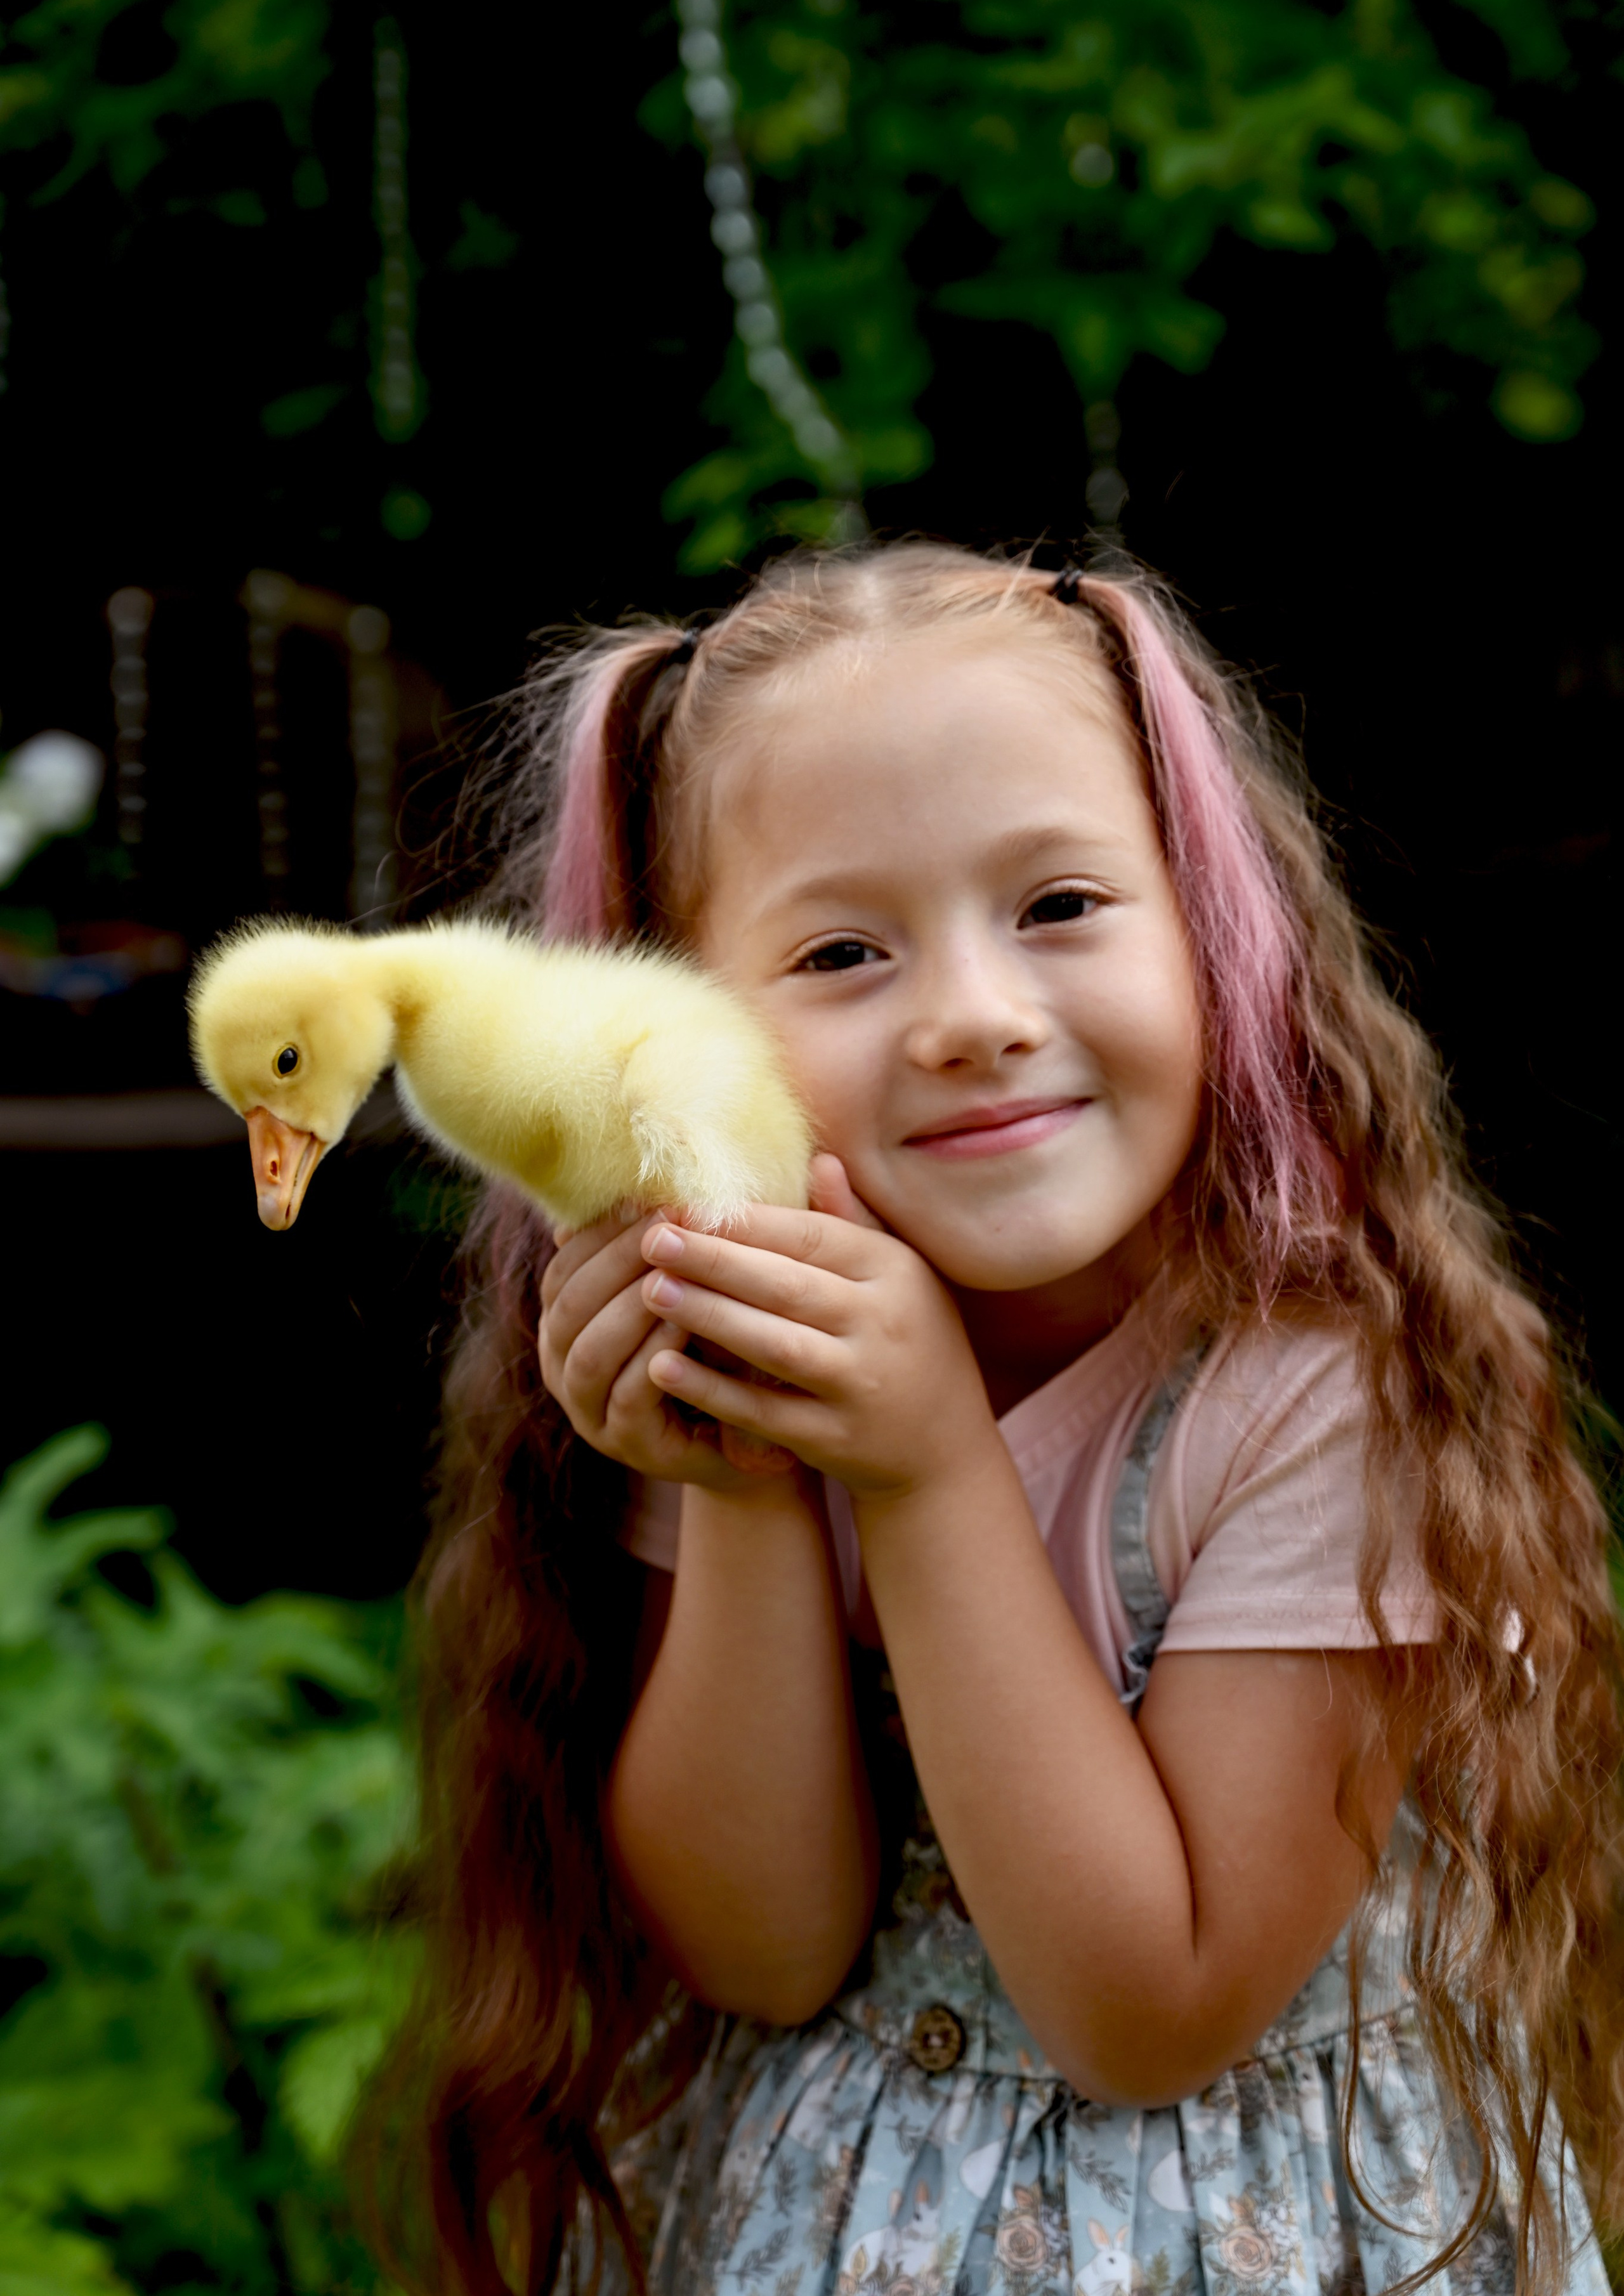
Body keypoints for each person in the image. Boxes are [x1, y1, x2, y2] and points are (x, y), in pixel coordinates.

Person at [360, 544, 1624, 2296]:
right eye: (844, 950)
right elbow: (763, 1946)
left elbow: (1151, 2009)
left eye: (1059, 908)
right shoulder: (761, 1326)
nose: (970, 1018)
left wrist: (927, 1460)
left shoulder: (1317, 1394)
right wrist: (738, 1474)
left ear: (1212, 927)